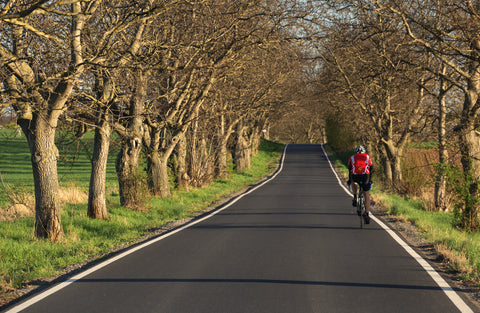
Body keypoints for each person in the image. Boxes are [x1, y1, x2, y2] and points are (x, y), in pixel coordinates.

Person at [347, 145, 374, 224]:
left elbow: (349, 168)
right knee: (366, 195)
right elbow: (371, 167)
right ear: (364, 151)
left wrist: (349, 180)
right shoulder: (367, 157)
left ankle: (355, 196)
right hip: (365, 176)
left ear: (356, 152)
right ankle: (367, 214)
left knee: (354, 182)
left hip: (355, 175)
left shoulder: (351, 157)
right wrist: (370, 179)